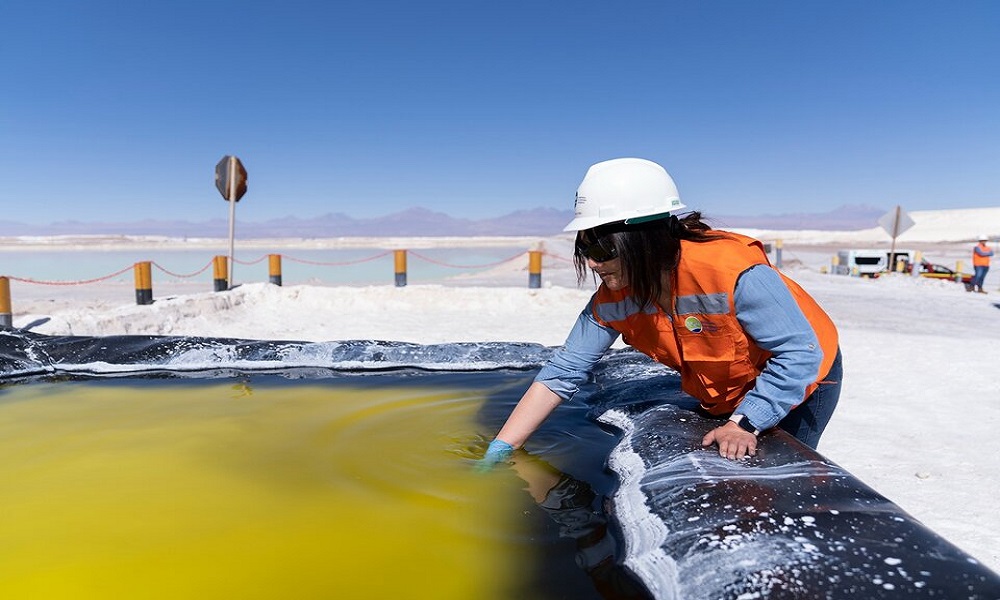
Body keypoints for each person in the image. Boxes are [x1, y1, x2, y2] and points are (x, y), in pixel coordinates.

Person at [481, 158, 842, 466]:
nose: (591, 263)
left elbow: (798, 354)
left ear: (643, 238)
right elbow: (564, 371)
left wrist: (745, 423)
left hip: (804, 376)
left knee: (771, 475)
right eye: (584, 247)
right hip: (732, 386)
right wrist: (502, 447)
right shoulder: (614, 296)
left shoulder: (730, 270)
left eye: (602, 247)